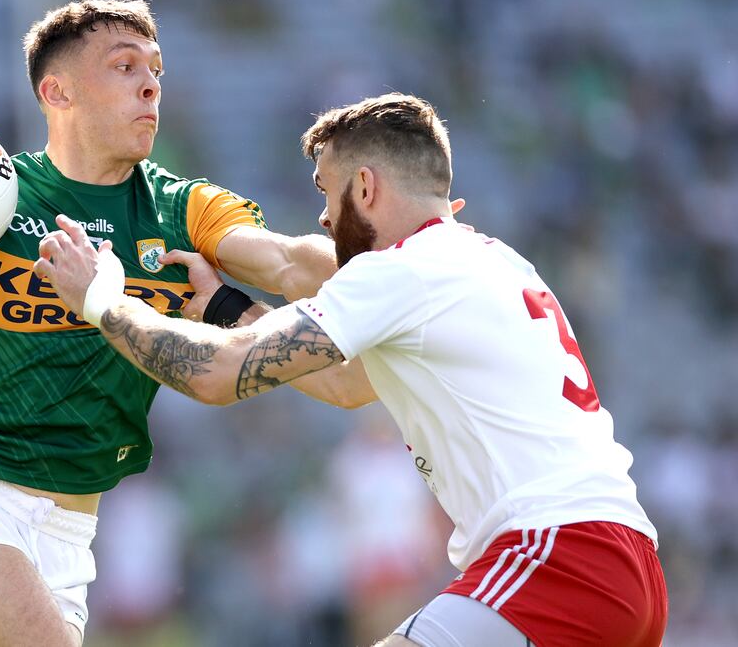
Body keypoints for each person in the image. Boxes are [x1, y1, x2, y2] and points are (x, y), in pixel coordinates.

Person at [0, 0, 351, 646]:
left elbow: (288, 259)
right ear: (58, 92)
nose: (150, 85)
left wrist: (409, 253)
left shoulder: (182, 209)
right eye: (125, 66)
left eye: (157, 70)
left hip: (67, 542)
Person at [34, 92, 669, 647]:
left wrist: (102, 302)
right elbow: (347, 384)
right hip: (625, 560)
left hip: (558, 557)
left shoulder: (403, 270)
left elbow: (216, 375)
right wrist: (226, 306)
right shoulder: (492, 258)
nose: (323, 217)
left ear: (365, 187)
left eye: (325, 190)